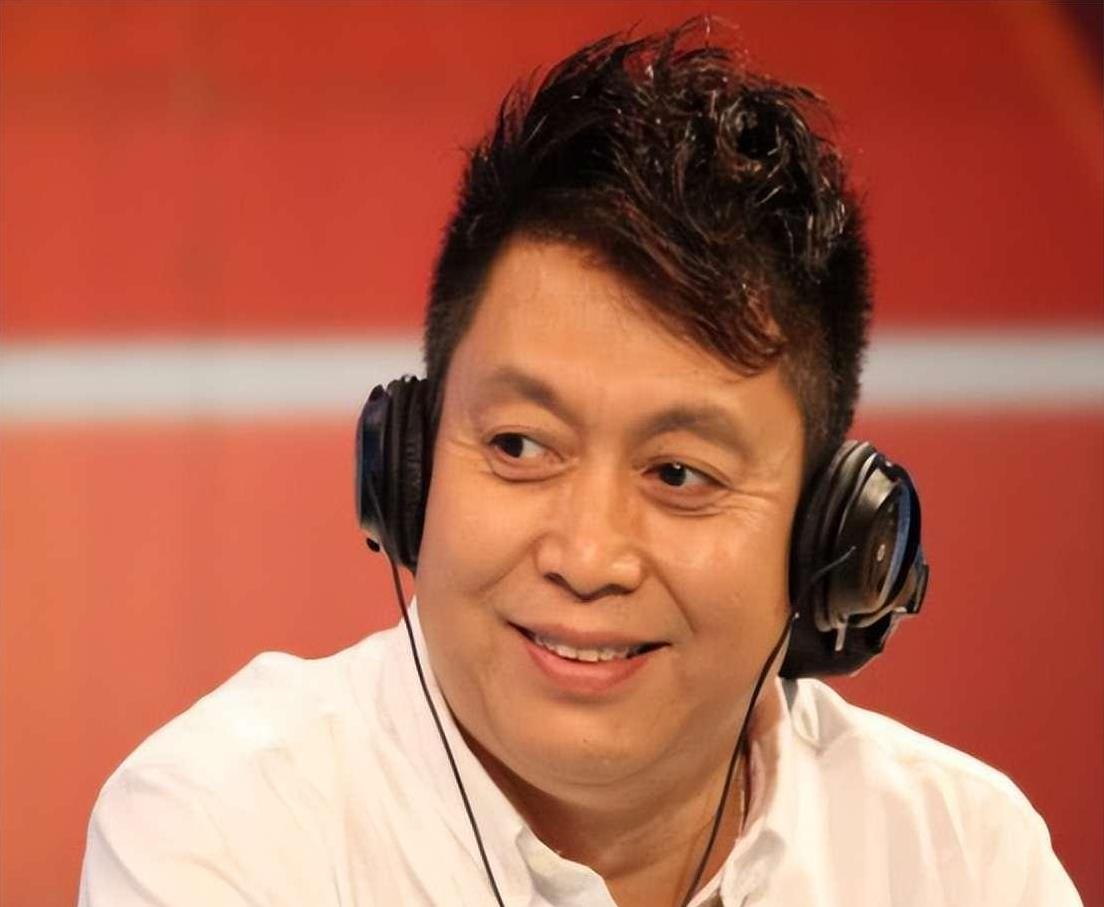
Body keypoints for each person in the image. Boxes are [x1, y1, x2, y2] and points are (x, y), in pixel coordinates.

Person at [79, 20, 1081, 907]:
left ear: (832, 545)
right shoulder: (223, 825)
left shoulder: (962, 859)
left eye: (679, 474)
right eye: (519, 446)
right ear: (409, 470)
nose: (588, 555)